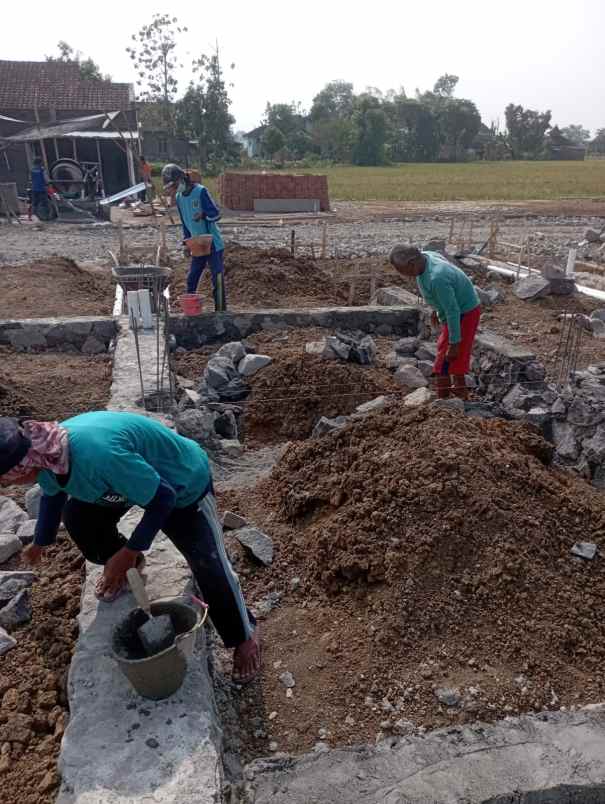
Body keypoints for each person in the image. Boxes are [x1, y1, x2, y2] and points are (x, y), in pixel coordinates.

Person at [0, 412, 260, 684]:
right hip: (127, 483)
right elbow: (52, 496)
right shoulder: (48, 453)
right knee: (78, 517)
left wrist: (129, 552)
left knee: (208, 565)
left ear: (21, 465)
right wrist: (40, 541)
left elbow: (163, 498)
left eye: (3, 478)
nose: (4, 485)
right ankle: (129, 569)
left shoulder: (96, 455)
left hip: (179, 484)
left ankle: (246, 635)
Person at [389, 245, 481, 400]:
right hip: (455, 309)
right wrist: (437, 307)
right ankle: (460, 390)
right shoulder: (426, 256)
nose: (402, 275)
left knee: (446, 359)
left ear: (412, 263)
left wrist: (454, 343)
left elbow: (453, 311)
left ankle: (443, 402)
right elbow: (446, 298)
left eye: (402, 270)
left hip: (464, 312)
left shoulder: (437, 277)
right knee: (450, 355)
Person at [161, 163, 226, 311]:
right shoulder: (179, 198)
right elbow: (185, 222)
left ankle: (221, 310)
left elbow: (216, 214)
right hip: (197, 244)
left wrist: (203, 215)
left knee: (217, 277)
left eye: (174, 185)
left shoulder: (200, 191)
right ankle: (190, 309)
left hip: (212, 243)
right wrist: (186, 243)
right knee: (192, 278)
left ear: (182, 179)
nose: (173, 190)